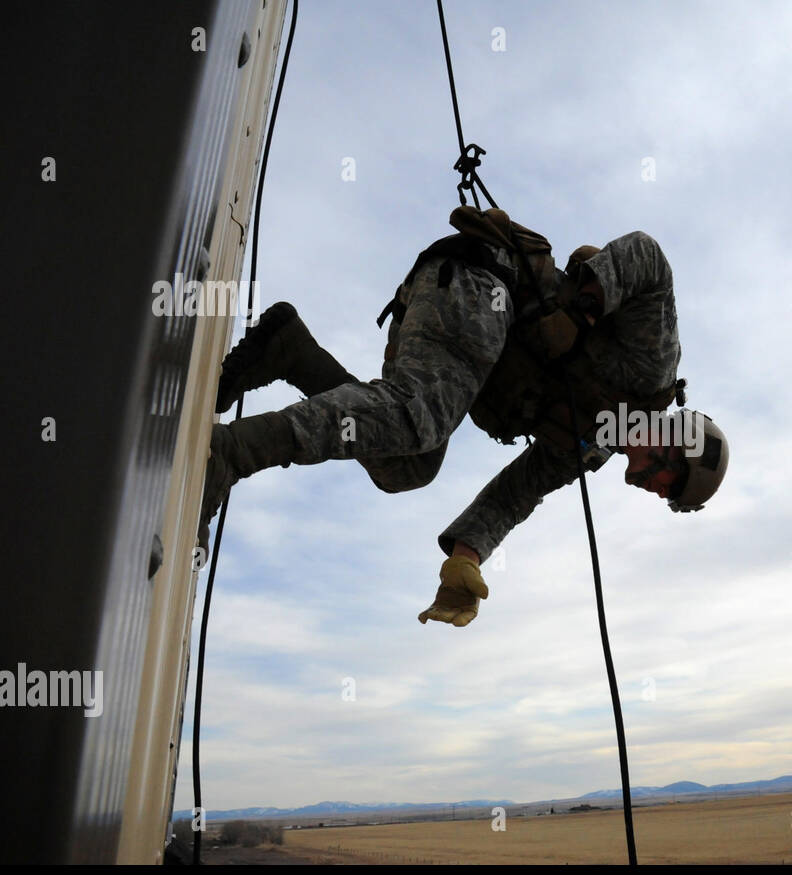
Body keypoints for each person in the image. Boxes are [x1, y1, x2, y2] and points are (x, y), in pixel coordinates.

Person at [199, 206, 728, 627]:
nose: (653, 489)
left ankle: (290, 350)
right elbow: (648, 259)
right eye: (668, 481)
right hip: (482, 281)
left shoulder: (590, 443)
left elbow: (514, 495)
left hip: (457, 315)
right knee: (420, 416)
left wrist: (466, 562)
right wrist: (579, 313)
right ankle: (232, 453)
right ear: (677, 443)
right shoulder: (653, 367)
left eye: (665, 496)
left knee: (407, 465)